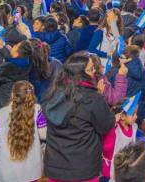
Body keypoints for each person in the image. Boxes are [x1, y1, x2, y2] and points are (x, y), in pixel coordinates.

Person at [42, 52, 115, 181]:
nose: (94, 72)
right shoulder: (92, 99)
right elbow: (106, 126)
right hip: (83, 169)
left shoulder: (53, 94)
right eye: (90, 69)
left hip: (55, 167)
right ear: (80, 73)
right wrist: (99, 97)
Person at [0, 80, 47, 182]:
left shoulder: (0, 113)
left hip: (7, 168)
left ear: (12, 94)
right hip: (31, 167)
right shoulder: (37, 110)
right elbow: (44, 135)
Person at [101, 99, 139, 181]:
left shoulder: (134, 127)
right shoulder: (114, 129)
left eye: (136, 113)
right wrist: (112, 126)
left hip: (126, 167)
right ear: (122, 116)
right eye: (133, 114)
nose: (136, 117)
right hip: (112, 170)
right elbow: (106, 148)